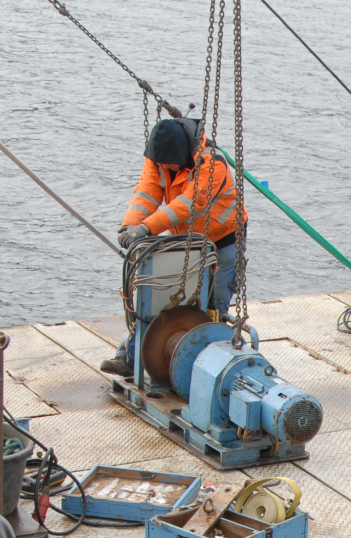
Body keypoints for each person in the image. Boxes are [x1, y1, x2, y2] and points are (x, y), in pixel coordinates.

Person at [101, 116, 247, 376]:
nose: (164, 167)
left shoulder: (213, 164)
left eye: (169, 163)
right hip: (188, 242)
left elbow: (188, 204)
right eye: (161, 164)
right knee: (165, 300)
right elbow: (147, 192)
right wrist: (130, 227)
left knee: (214, 309)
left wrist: (146, 229)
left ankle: (206, 371)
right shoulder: (157, 157)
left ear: (183, 154)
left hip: (223, 243)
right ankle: (131, 358)